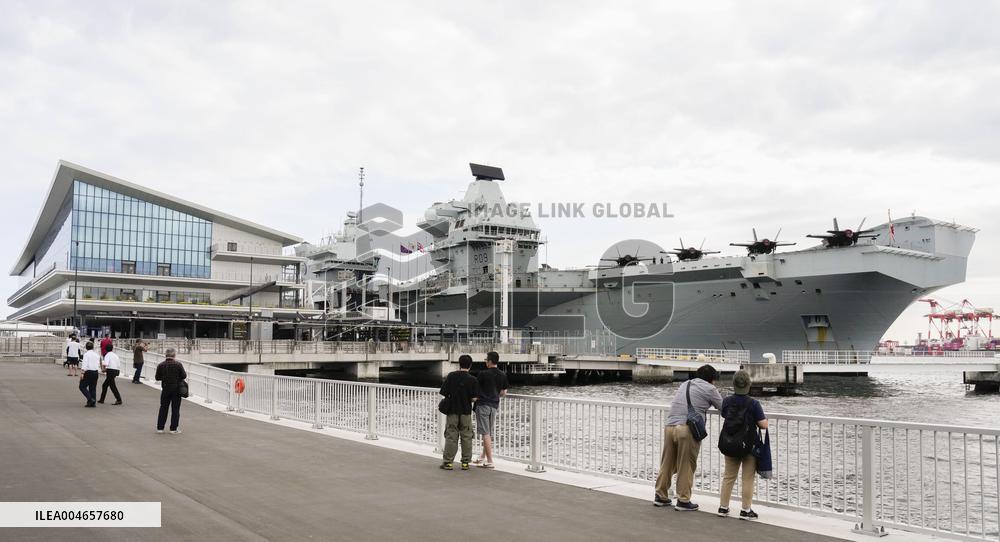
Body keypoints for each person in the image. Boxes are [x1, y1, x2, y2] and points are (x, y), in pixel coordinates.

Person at [653, 364, 723, 511]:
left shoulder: (685, 384)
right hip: (686, 429)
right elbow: (723, 408)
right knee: (686, 464)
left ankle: (661, 495)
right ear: (711, 379)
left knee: (667, 463)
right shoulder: (710, 389)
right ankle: (683, 500)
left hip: (670, 426)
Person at [718, 370, 768, 520]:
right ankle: (746, 510)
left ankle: (723, 507)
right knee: (747, 479)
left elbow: (724, 414)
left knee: (728, 477)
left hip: (730, 443)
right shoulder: (753, 403)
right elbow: (763, 425)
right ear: (748, 385)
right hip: (748, 446)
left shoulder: (726, 401)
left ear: (734, 384)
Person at [438, 354, 478, 470]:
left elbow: (444, 392)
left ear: (459, 364)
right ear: (470, 365)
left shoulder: (451, 376)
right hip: (466, 411)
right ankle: (465, 463)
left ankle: (448, 462)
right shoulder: (473, 380)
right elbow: (475, 398)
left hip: (452, 411)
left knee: (451, 435)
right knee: (466, 436)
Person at [473, 351, 508, 469]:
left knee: (485, 433)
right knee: (488, 432)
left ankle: (490, 461)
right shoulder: (502, 374)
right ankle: (482, 456)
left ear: (489, 361)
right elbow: (503, 393)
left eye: (486, 360)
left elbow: (476, 391)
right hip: (494, 406)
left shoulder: (483, 374)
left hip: (483, 405)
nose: (485, 362)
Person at [155, 347, 187, 434]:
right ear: (174, 355)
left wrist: (165, 377)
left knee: (163, 408)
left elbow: (157, 378)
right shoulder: (178, 364)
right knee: (175, 409)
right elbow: (184, 376)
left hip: (165, 389)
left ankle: (160, 428)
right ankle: (173, 429)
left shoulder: (161, 365)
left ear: (166, 355)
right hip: (176, 389)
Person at [78, 341, 101, 407]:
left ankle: (90, 399)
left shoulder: (86, 354)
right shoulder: (96, 355)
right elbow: (98, 364)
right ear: (93, 347)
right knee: (93, 388)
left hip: (88, 372)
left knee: (82, 386)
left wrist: (82, 372)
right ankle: (92, 402)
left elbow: (84, 364)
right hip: (95, 372)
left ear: (86, 347)